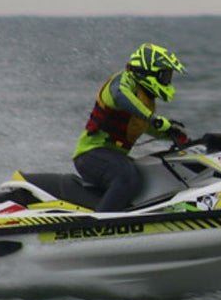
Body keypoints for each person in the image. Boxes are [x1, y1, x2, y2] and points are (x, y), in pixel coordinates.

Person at [73, 43, 189, 212]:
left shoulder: (146, 102)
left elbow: (146, 126)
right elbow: (121, 96)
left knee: (152, 173)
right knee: (127, 178)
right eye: (165, 76)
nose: (168, 81)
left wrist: (173, 133)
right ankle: (101, 225)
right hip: (91, 154)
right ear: (149, 71)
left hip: (112, 156)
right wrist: (155, 119)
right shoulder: (123, 81)